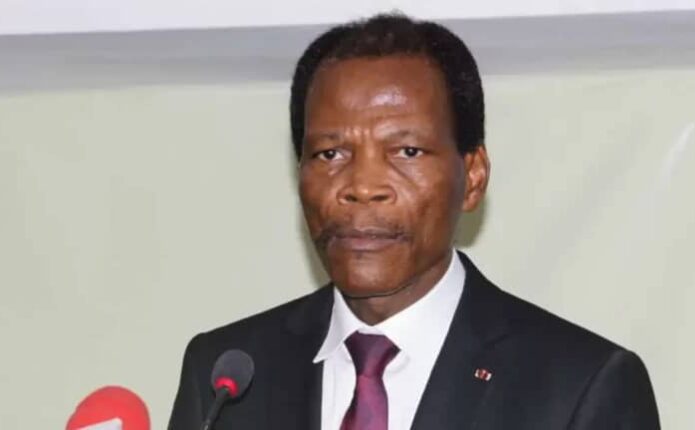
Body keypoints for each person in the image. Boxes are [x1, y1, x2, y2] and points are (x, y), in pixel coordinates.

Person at [168, 13, 659, 430]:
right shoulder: (227, 379)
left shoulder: (580, 385)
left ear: (473, 176)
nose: (362, 186)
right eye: (330, 153)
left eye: (406, 151)